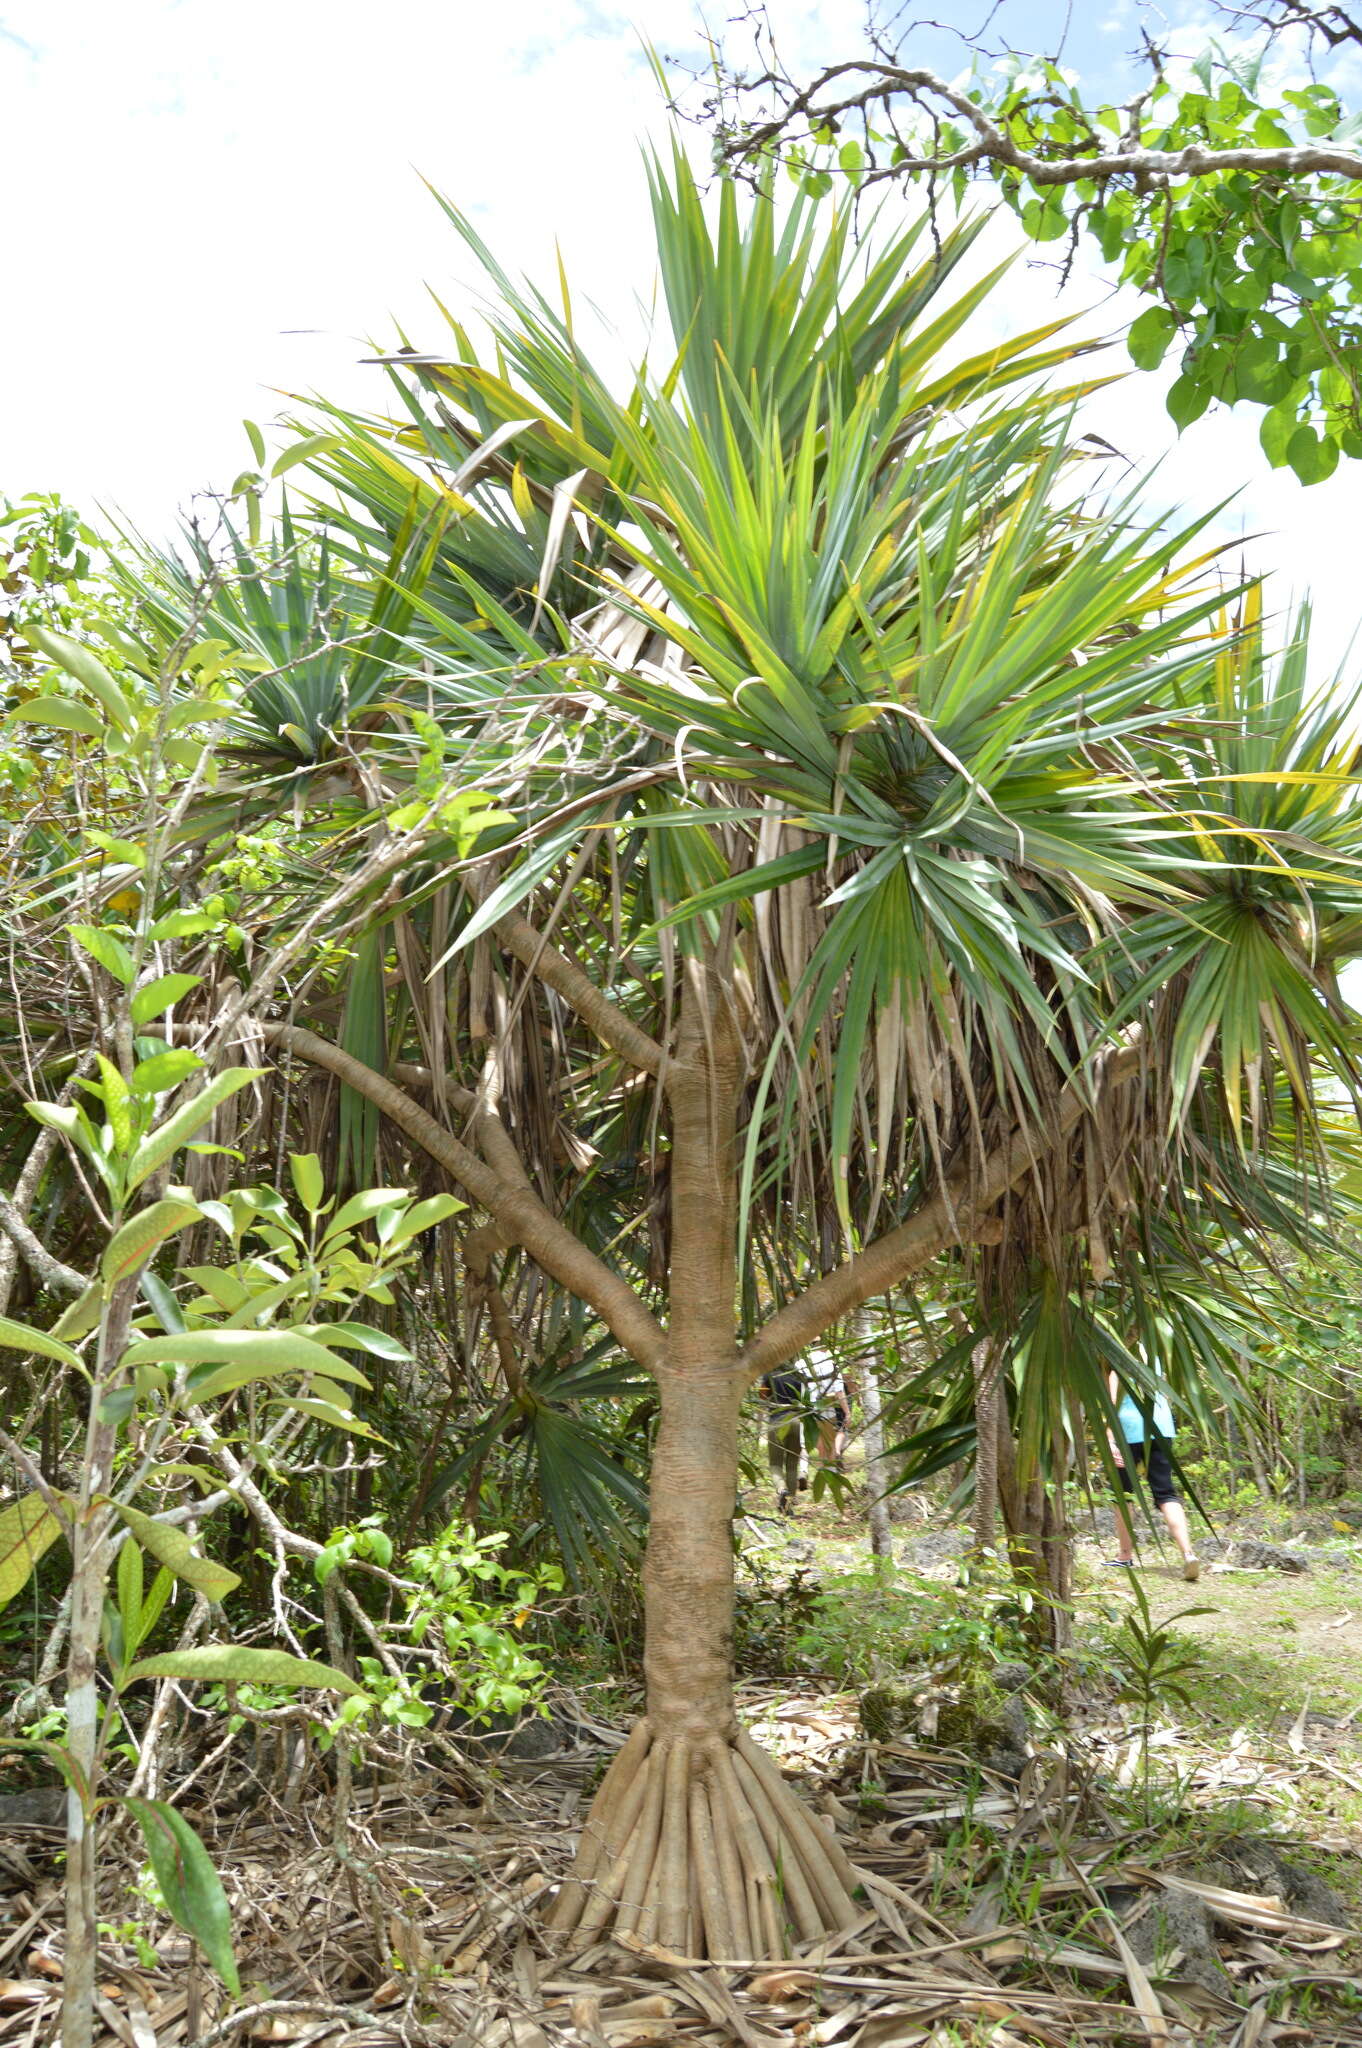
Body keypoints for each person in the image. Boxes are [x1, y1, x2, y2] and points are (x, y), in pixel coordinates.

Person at [1106, 1369, 1201, 1581]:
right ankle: (1188, 1554)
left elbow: (1112, 1401)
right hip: (1161, 1428)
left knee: (1123, 1494)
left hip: (1127, 1430)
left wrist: (1111, 1440)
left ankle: (1125, 1555)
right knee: (1166, 1493)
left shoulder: (1116, 1361)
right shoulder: (1156, 1357)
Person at [761, 1366, 805, 1514]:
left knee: (775, 1464)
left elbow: (762, 1395)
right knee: (792, 1465)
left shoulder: (769, 1374)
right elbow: (804, 1398)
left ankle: (781, 1489)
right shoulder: (797, 1374)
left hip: (777, 1421)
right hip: (797, 1421)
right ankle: (789, 1506)